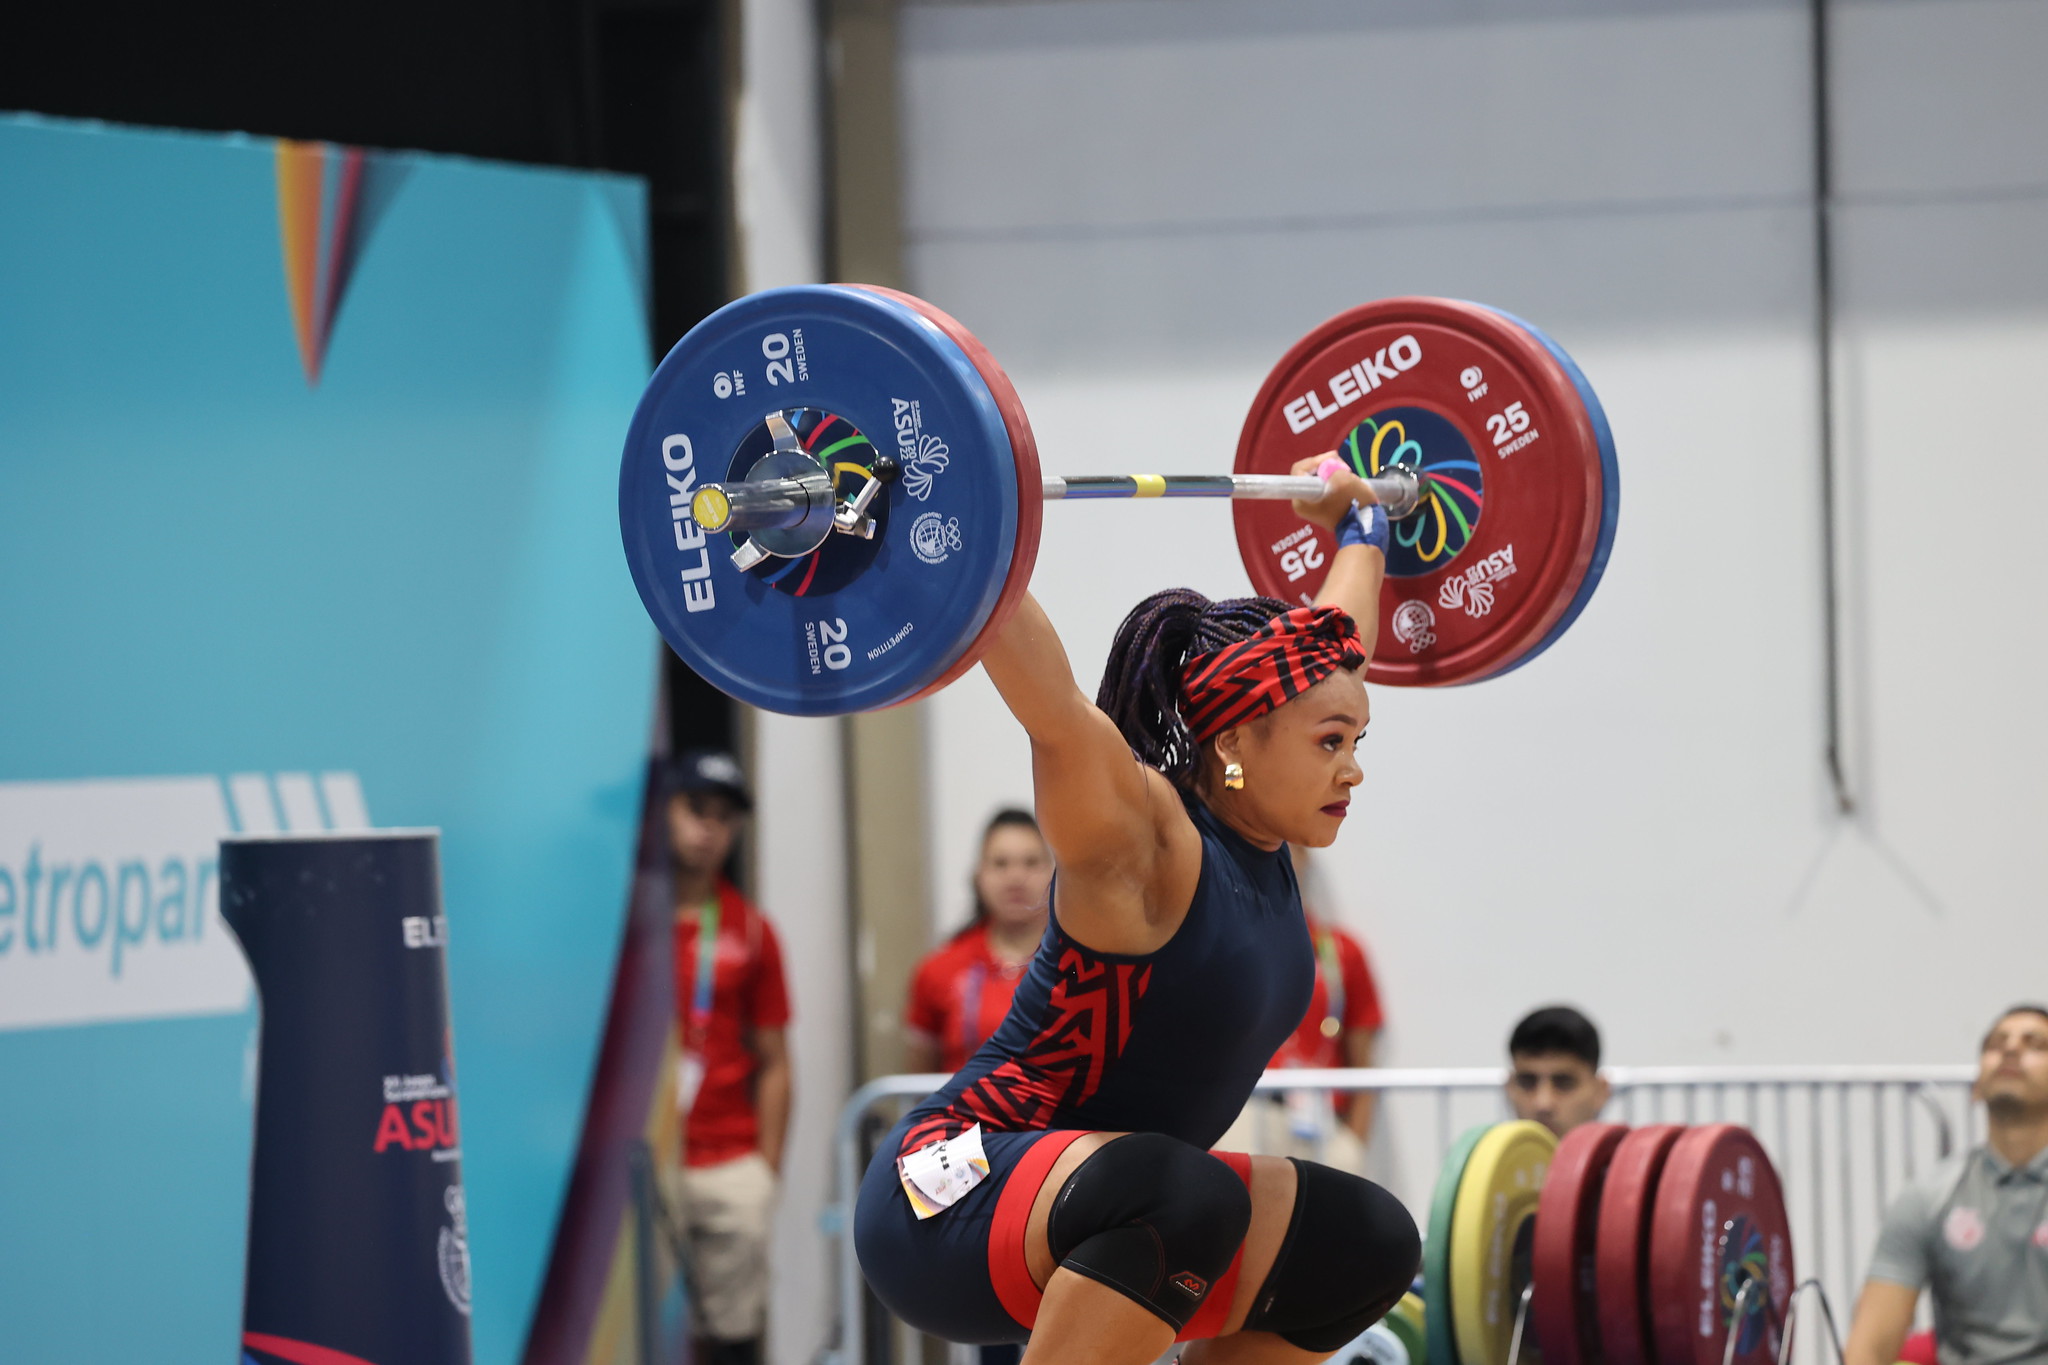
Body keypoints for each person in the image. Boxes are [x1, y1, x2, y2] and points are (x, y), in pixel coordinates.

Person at [854, 456, 1421, 1365]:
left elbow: (1338, 637)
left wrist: (1363, 525)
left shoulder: (1270, 845)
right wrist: (950, 522)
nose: (1352, 767)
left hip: (1111, 1202)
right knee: (1186, 1192)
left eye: (1355, 739)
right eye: (1329, 742)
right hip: (949, 1196)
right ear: (1235, 740)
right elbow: (1053, 711)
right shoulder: (1149, 842)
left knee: (1365, 1240)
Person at [663, 750, 791, 1365]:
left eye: (724, 816)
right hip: (641, 1161)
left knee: (734, 1335)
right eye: (694, 809)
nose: (708, 828)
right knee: (643, 1328)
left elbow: (776, 1060)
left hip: (727, 1160)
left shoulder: (752, 930)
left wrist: (764, 1170)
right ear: (663, 811)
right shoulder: (621, 928)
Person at [1844, 1005, 2048, 1365]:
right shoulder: (1928, 1197)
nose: (2011, 1050)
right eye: (1996, 1044)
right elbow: (1869, 1348)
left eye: (2036, 1044)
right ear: (1976, 1089)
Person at [1217, 846, 1386, 1173]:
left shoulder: (1342, 952)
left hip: (1322, 1123)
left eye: (1291, 847)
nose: (1281, 858)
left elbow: (1365, 1063)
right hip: (1245, 1114)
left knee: (1326, 1218)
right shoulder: (1226, 944)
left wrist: (1352, 1145)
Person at [905, 809, 1056, 1074]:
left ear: (1054, 873)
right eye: (1000, 863)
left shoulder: (1081, 965)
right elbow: (920, 1082)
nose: (1016, 878)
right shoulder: (938, 970)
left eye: (1031, 863)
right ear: (979, 875)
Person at [1504, 1005, 1609, 1137]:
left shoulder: (1631, 1157)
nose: (1543, 1103)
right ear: (1509, 1088)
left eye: (1564, 1084)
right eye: (1527, 1083)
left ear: (1601, 1091)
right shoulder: (1484, 1157)